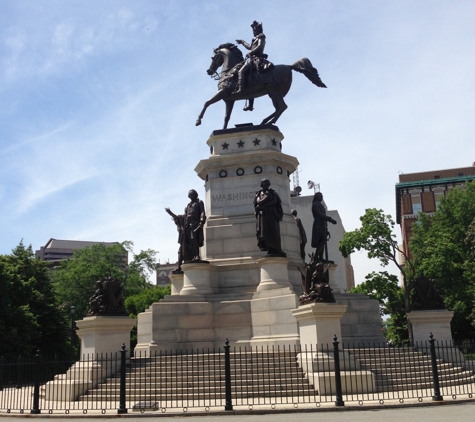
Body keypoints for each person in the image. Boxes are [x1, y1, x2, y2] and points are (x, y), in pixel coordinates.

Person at [167, 190, 207, 265]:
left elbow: (202, 212)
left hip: (195, 223)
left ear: (195, 195)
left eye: (192, 194)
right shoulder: (188, 205)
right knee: (189, 241)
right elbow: (182, 217)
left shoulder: (199, 202)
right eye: (189, 195)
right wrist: (171, 213)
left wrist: (202, 221)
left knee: (193, 238)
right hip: (188, 225)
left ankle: (197, 256)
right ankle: (194, 256)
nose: (190, 196)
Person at [235, 21, 274, 96]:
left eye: (254, 30)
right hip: (252, 59)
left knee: (241, 71)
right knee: (249, 76)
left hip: (257, 59)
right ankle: (250, 102)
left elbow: (260, 46)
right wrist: (242, 42)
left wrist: (251, 53)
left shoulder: (261, 36)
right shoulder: (255, 38)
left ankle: (240, 89)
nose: (253, 32)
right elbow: (250, 47)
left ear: (257, 30)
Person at [253, 179, 286, 256]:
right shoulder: (259, 194)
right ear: (261, 185)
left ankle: (277, 249)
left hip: (272, 215)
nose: (265, 185)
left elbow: (274, 201)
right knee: (264, 232)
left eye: (267, 184)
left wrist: (264, 204)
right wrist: (266, 201)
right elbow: (258, 202)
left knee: (274, 231)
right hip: (263, 216)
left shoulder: (273, 193)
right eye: (264, 184)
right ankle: (269, 250)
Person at [311, 192, 336, 261]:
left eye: (322, 196)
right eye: (319, 196)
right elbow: (319, 214)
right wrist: (330, 219)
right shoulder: (315, 204)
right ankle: (316, 257)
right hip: (318, 225)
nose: (321, 197)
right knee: (321, 241)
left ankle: (320, 257)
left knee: (323, 241)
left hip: (323, 225)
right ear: (316, 197)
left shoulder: (321, 205)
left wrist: (326, 227)